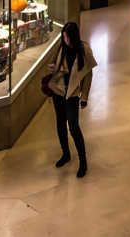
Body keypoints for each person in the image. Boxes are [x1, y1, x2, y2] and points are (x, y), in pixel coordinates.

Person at [45, 22, 96, 178]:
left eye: (67, 37)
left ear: (73, 36)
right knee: (60, 124)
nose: (65, 39)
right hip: (58, 91)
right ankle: (66, 154)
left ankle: (83, 161)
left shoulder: (84, 50)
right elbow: (53, 64)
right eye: (63, 37)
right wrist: (53, 67)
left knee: (73, 127)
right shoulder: (61, 47)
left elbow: (88, 76)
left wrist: (85, 97)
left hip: (72, 94)